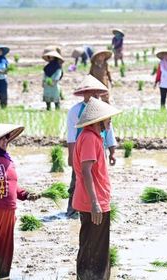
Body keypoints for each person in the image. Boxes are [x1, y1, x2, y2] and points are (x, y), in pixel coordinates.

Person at [72, 97, 121, 279]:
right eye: (108, 119)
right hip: (93, 202)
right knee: (94, 248)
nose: (110, 121)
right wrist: (95, 203)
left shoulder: (92, 137)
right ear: (98, 120)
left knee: (95, 246)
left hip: (96, 200)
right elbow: (86, 171)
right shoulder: (89, 138)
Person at [0, 123, 40, 278]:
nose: (5, 140)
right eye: (1, 138)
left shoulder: (8, 160)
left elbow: (12, 185)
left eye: (7, 138)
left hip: (9, 212)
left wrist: (25, 194)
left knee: (5, 247)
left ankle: (2, 275)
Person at [66, 75, 118, 218]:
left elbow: (109, 131)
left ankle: (95, 205)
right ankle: (73, 210)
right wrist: (71, 155)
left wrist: (112, 151)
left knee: (98, 179)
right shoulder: (75, 111)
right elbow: (71, 134)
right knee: (77, 181)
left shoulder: (103, 109)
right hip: (82, 151)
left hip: (99, 149)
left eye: (97, 92)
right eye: (91, 92)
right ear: (84, 93)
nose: (95, 95)